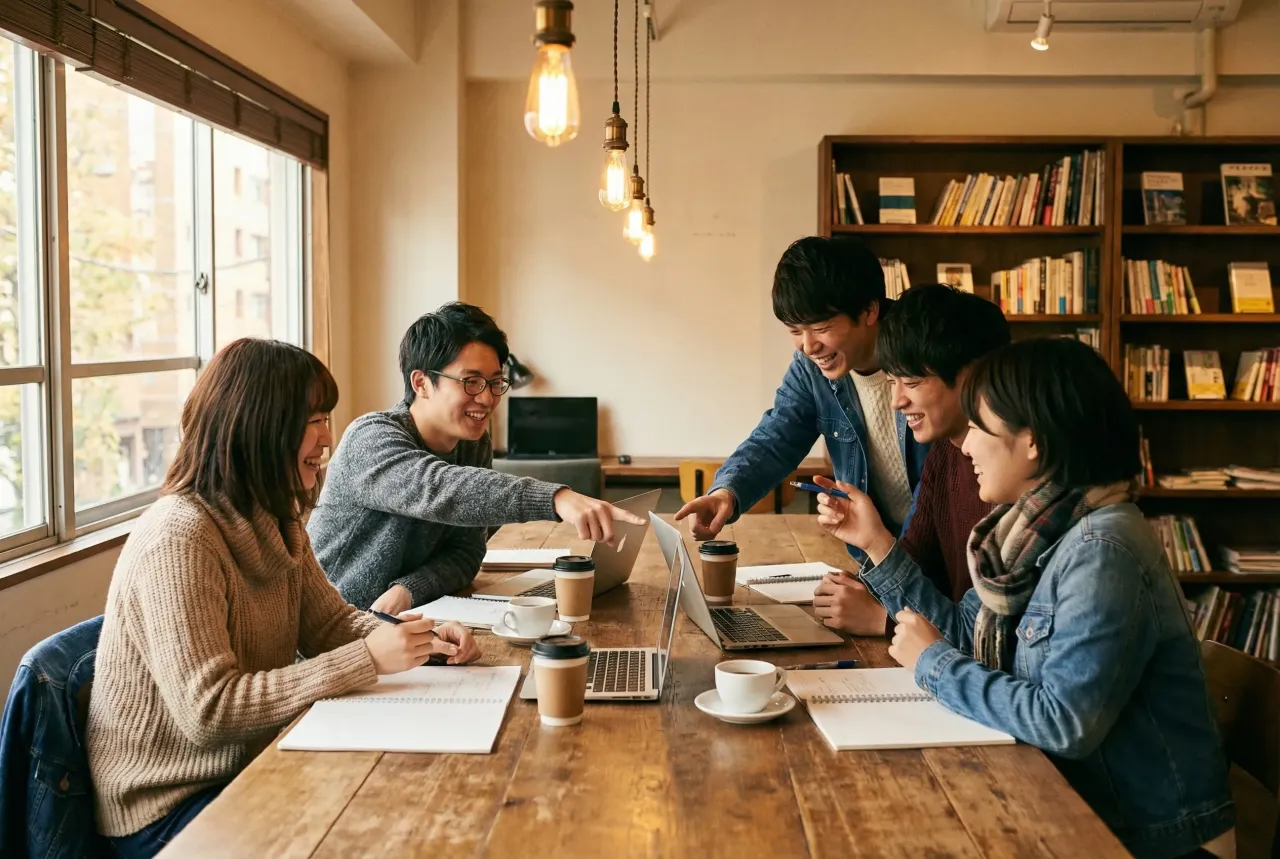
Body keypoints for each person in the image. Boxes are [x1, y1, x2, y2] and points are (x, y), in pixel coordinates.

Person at [815, 337, 1235, 859]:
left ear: (1032, 441)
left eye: (979, 430)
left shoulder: (1104, 548)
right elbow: (967, 632)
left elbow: (1064, 722)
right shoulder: (1025, 533)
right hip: (1067, 801)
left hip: (1146, 840)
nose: (965, 446)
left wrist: (934, 664)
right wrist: (875, 541)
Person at [87, 339, 480, 859]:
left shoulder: (275, 516)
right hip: (167, 807)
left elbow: (329, 624)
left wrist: (420, 640)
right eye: (314, 420)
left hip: (251, 764)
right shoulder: (179, 536)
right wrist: (367, 658)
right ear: (261, 426)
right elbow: (209, 712)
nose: (327, 437)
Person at [308, 302, 645, 613]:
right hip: (329, 634)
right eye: (471, 382)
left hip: (405, 621)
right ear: (422, 382)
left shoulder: (472, 443)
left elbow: (466, 553)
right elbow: (438, 489)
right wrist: (556, 498)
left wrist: (407, 590)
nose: (486, 398)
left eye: (495, 382)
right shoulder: (370, 438)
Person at [675, 236, 928, 558]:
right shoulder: (811, 368)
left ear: (869, 310)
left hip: (937, 562)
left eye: (821, 328)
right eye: (795, 331)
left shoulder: (927, 356)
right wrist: (727, 492)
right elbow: (776, 437)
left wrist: (894, 572)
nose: (808, 347)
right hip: (876, 560)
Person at [813, 284, 1009, 634]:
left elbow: (982, 636)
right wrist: (864, 579)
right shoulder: (944, 451)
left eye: (913, 382)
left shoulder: (1012, 478)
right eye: (891, 382)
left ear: (969, 377)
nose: (896, 401)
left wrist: (884, 620)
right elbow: (914, 564)